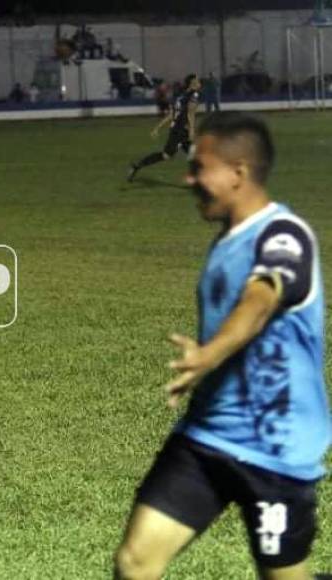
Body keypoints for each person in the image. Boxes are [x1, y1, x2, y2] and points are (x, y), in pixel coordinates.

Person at [114, 112, 330, 580]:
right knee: (135, 562)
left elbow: (260, 299)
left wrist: (210, 354)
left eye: (198, 168)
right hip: (207, 436)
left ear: (238, 173)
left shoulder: (283, 235)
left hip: (275, 446)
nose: (187, 179)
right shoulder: (226, 240)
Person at [128, 74, 201, 182]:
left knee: (194, 153)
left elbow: (171, 114)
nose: (199, 83)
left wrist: (157, 128)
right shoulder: (194, 95)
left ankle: (200, 179)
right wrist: (191, 130)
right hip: (180, 132)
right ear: (192, 84)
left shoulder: (181, 97)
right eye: (197, 81)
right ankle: (136, 166)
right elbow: (190, 114)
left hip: (177, 130)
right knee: (168, 155)